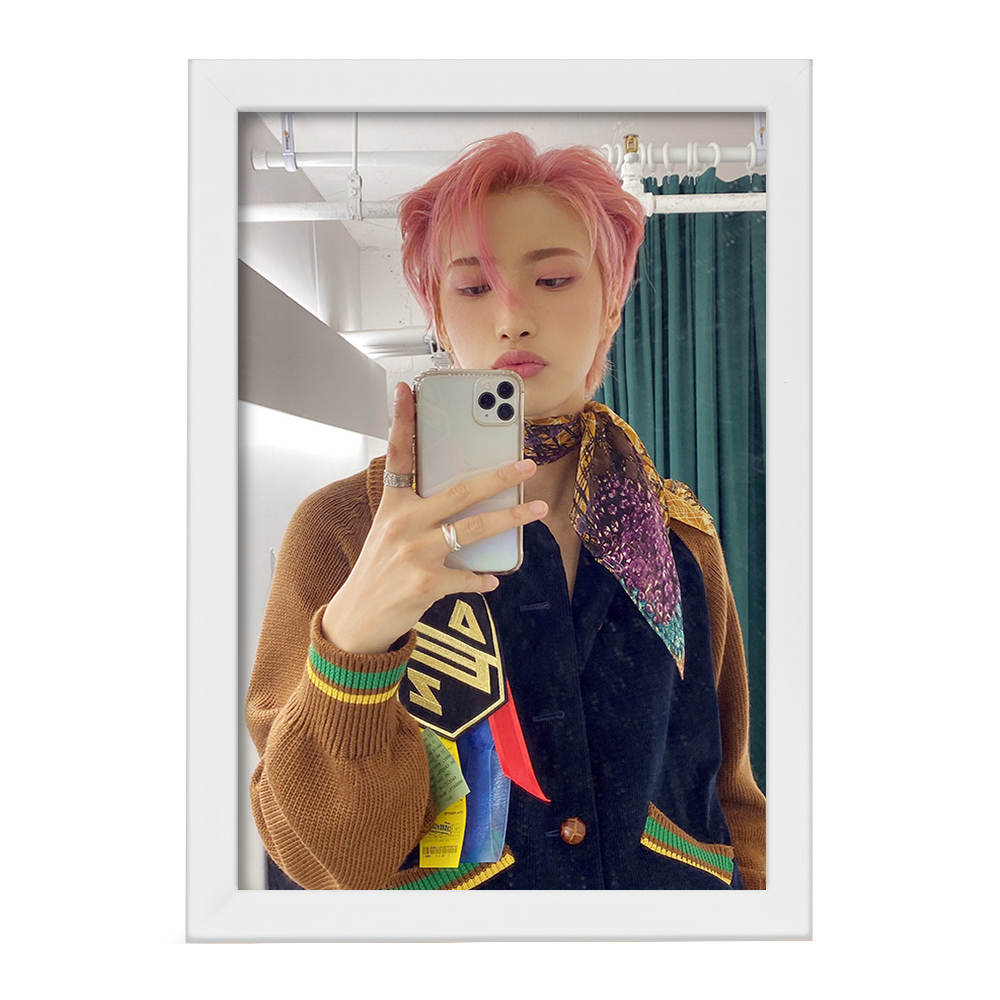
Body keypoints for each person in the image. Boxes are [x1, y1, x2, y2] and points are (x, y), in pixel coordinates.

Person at [245, 132, 766, 890]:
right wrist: (353, 641)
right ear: (437, 313)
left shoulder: (680, 539)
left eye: (553, 279)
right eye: (472, 287)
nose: (512, 316)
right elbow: (324, 863)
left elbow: (732, 797)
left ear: (611, 304)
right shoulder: (339, 531)